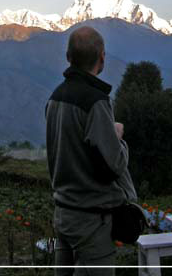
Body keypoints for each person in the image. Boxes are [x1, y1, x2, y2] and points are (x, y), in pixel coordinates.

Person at [45, 25, 137, 275]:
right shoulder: (96, 102)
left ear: (68, 58)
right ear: (102, 57)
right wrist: (118, 137)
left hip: (63, 213)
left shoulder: (55, 97)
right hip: (91, 220)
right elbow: (114, 165)